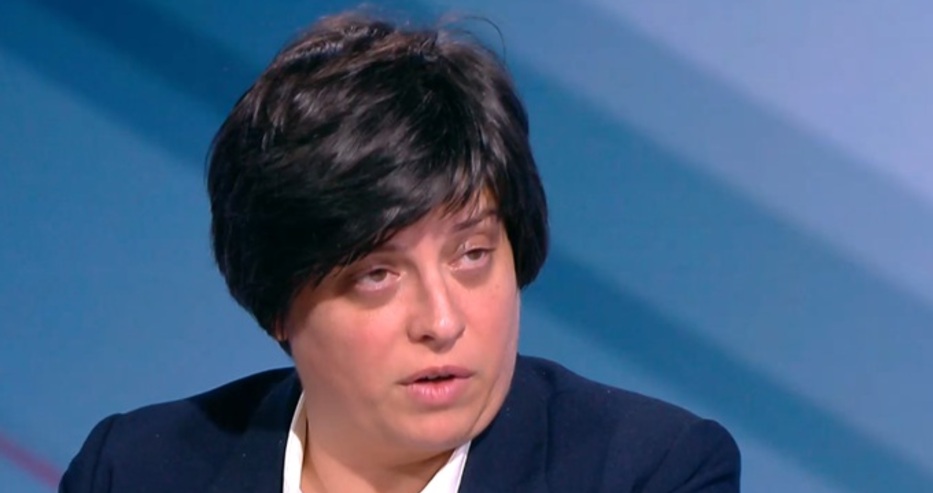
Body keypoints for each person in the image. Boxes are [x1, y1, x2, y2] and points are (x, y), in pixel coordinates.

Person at [60, 10, 740, 493]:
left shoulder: (649, 472)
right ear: (278, 307)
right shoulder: (133, 471)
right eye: (378, 274)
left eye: (472, 255)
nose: (442, 321)